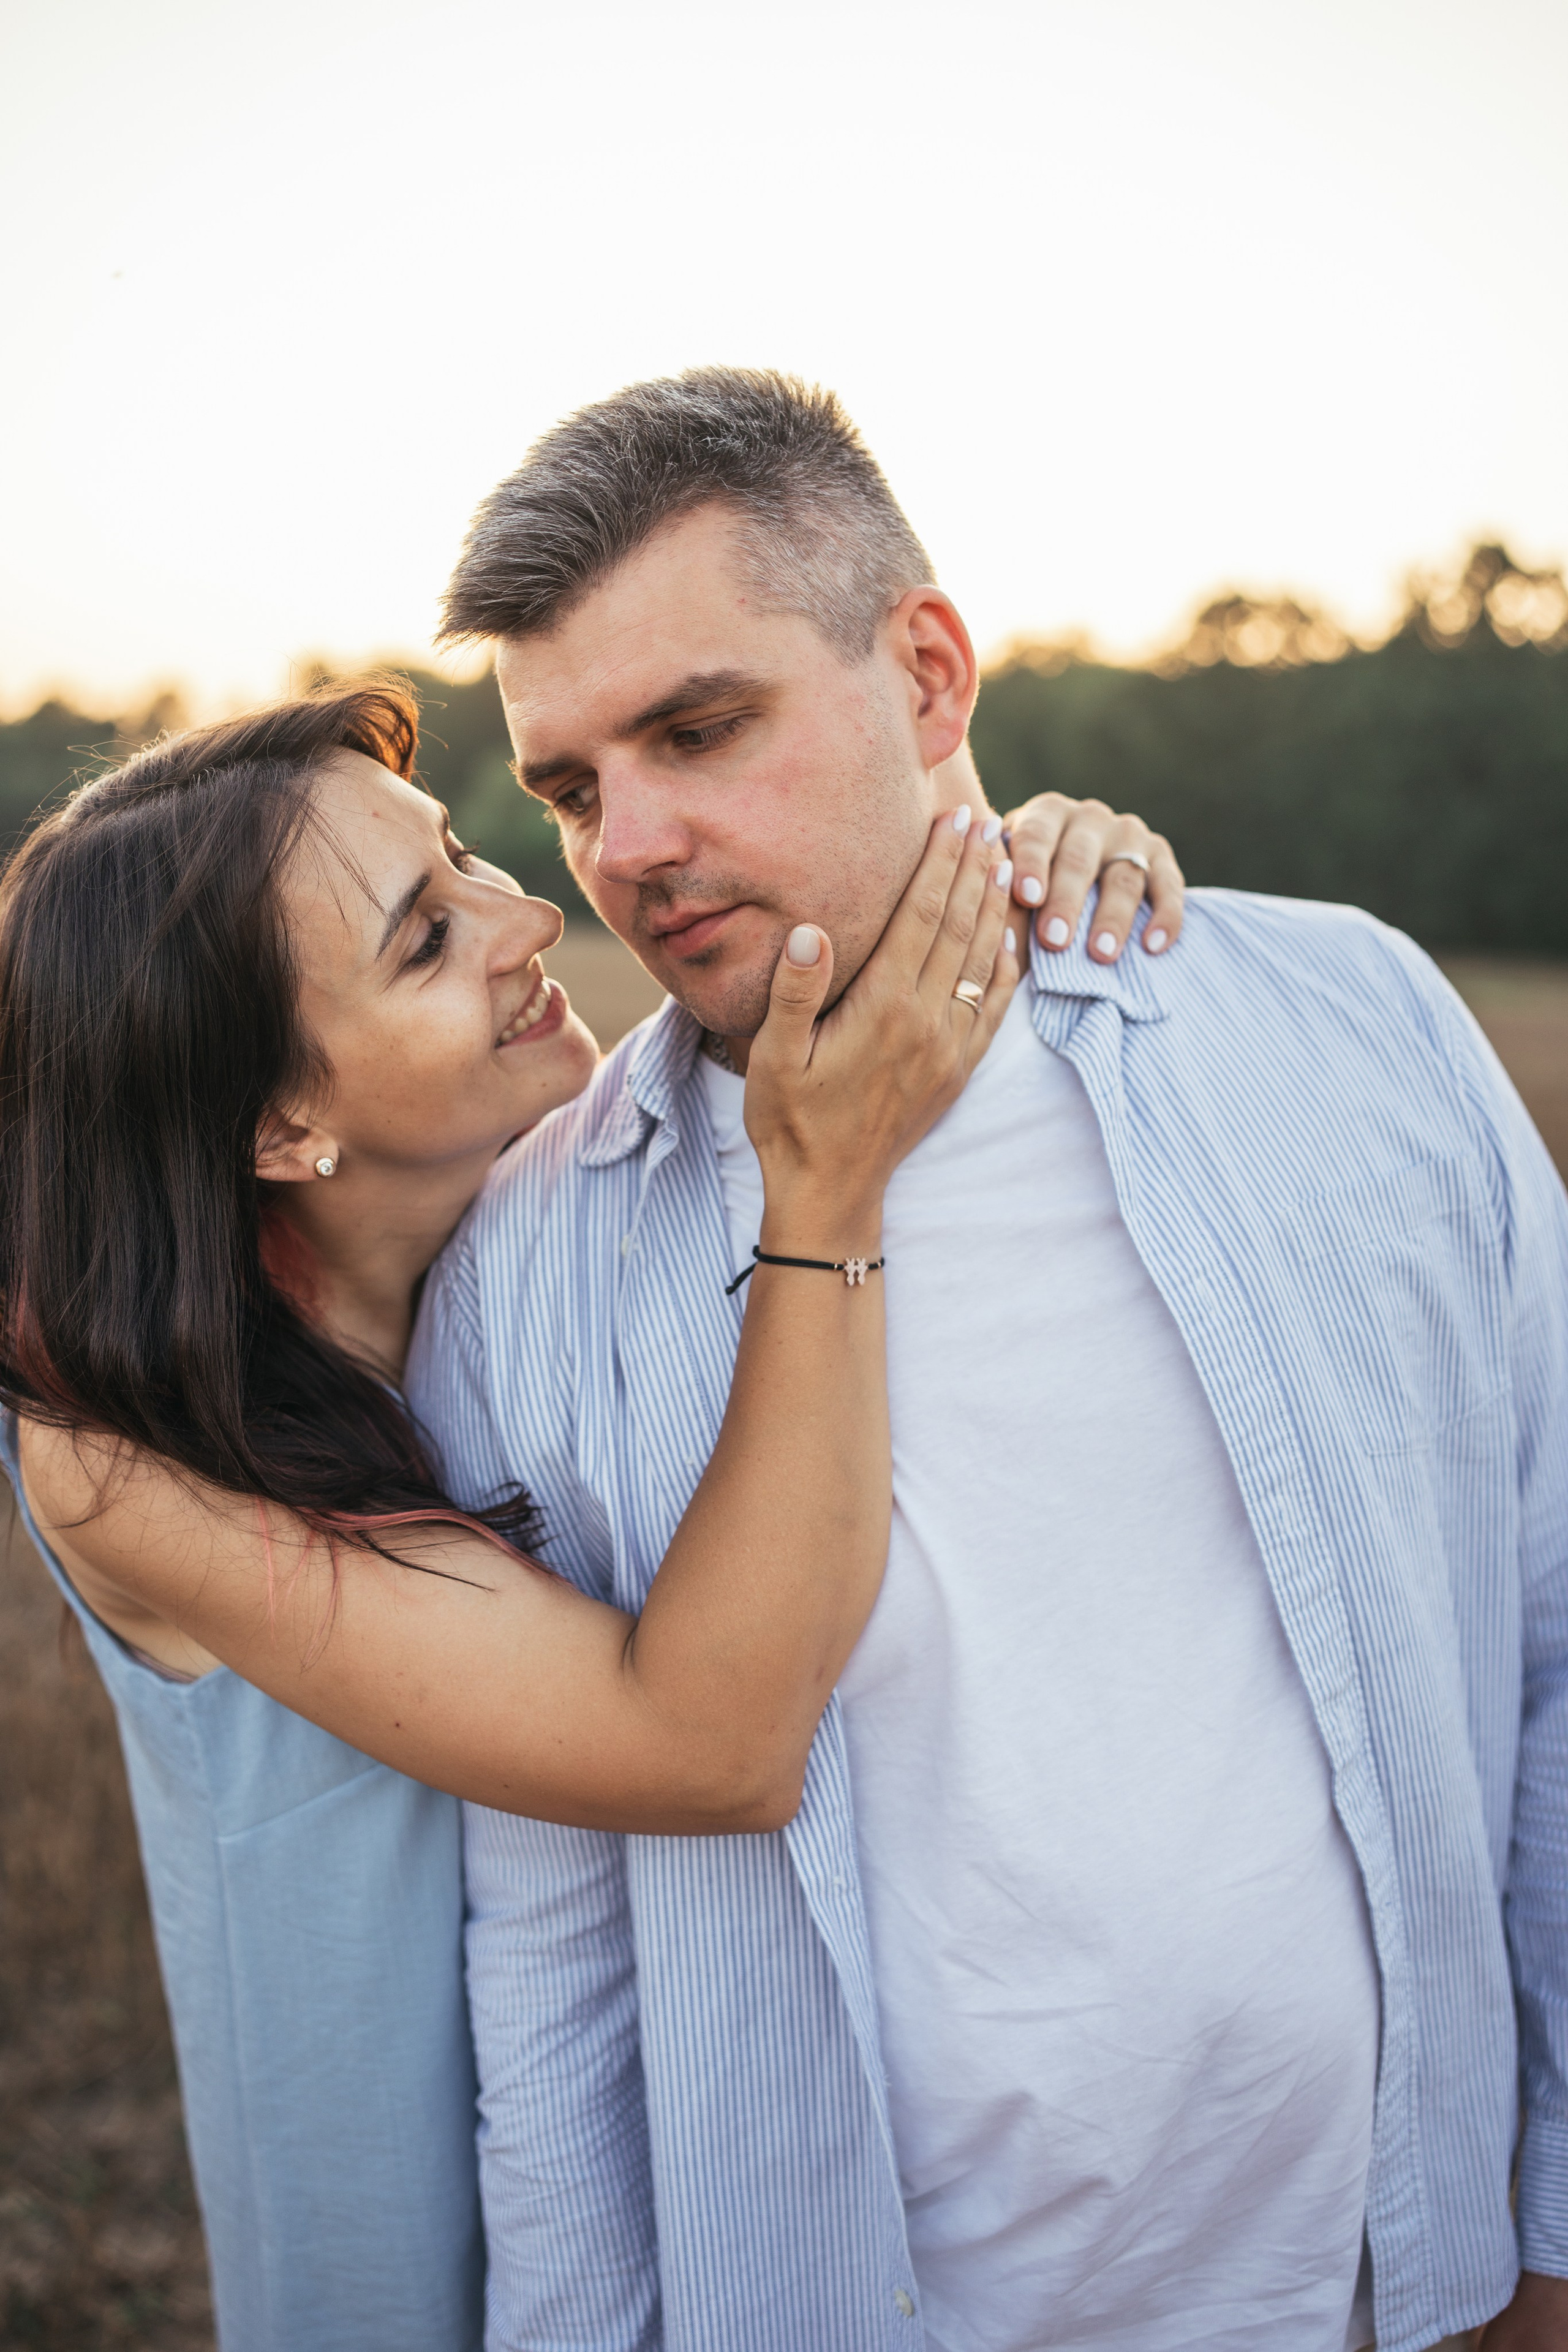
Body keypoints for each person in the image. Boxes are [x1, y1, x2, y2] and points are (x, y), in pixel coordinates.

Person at [413, 365, 1568, 2352]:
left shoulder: (1353, 1029)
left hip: (1384, 2288)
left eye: (700, 728)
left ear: (929, 675)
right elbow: (556, 1955)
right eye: (577, 786)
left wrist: (1541, 2247)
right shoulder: (530, 1259)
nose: (634, 846)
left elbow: (1549, 1643)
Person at [0, 676, 1170, 2352]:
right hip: (411, 2265)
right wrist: (820, 1193)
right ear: (279, 1123)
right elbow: (714, 1742)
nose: (530, 908)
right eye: (421, 939)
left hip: (684, 2199)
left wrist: (1012, 869)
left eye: (465, 855)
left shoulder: (536, 1242)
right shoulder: (125, 1462)